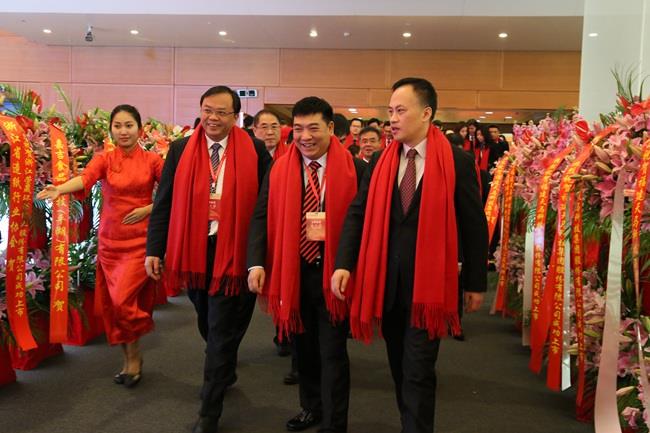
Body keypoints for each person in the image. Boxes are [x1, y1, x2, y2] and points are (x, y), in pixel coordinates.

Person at [332, 77, 488, 433]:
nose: (393, 119)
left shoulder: (457, 162)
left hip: (429, 289)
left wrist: (475, 282)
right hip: (387, 285)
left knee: (418, 370)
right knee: (400, 368)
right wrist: (344, 264)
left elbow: (473, 225)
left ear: (426, 113)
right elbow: (357, 213)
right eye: (390, 111)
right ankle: (410, 421)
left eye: (401, 110)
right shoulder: (381, 162)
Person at [145, 86, 271, 433]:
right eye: (207, 110)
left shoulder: (255, 150)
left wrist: (259, 256)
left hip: (235, 249)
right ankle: (224, 363)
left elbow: (265, 207)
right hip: (194, 250)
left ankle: (209, 411)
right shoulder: (180, 149)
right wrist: (154, 248)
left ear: (236, 116)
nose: (212, 118)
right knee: (207, 320)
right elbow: (164, 201)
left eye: (221, 112)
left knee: (220, 327)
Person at [248, 96, 366, 433]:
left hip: (334, 275)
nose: (305, 137)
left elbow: (362, 224)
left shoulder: (357, 170)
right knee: (304, 351)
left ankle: (335, 422)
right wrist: (255, 263)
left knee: (332, 352)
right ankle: (311, 407)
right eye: (298, 129)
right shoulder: (280, 168)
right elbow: (261, 215)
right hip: (294, 273)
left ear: (330, 128)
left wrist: (349, 265)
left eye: (313, 128)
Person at [37, 104, 162, 388]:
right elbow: (85, 178)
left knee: (123, 301)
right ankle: (129, 359)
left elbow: (172, 192)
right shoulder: (104, 158)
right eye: (118, 126)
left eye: (129, 125)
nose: (123, 131)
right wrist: (59, 189)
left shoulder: (153, 160)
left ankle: (134, 355)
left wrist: (148, 209)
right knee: (115, 305)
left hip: (141, 241)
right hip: (110, 242)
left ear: (140, 129)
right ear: (111, 130)